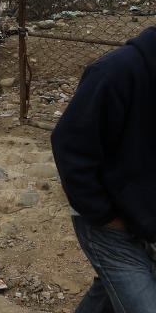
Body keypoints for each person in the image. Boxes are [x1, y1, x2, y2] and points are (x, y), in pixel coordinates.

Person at [50, 26, 156, 311]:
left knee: (112, 292)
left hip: (144, 215)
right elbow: (68, 144)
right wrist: (105, 216)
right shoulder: (115, 72)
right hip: (106, 220)